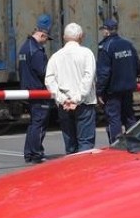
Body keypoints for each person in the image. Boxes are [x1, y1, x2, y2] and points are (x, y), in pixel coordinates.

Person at [45, 22, 97, 154]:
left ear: (64, 37)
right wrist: (77, 99)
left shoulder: (55, 56)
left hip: (64, 105)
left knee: (70, 144)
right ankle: (84, 173)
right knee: (85, 142)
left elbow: (49, 80)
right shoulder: (87, 53)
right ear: (81, 36)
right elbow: (88, 78)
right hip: (85, 103)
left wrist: (63, 99)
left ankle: (72, 171)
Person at [96, 19, 140, 144]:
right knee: (129, 117)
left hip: (112, 91)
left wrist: (99, 92)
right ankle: (133, 143)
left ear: (106, 31)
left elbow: (104, 73)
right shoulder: (128, 44)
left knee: (114, 119)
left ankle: (116, 144)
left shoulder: (105, 47)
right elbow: (137, 67)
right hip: (128, 89)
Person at [18, 14, 54, 164]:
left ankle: (29, 153)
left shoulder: (25, 47)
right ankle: (36, 153)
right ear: (42, 34)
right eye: (46, 38)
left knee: (33, 123)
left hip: (28, 89)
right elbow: (43, 71)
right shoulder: (36, 51)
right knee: (39, 123)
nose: (46, 42)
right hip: (38, 91)